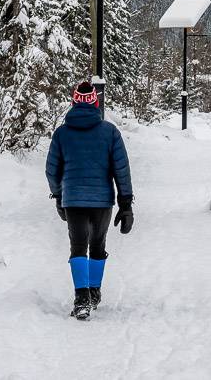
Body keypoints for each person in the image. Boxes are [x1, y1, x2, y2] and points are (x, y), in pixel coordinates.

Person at [45, 81, 134, 320]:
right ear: (96, 102)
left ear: (73, 102)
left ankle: (82, 298)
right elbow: (121, 170)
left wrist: (58, 194)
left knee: (77, 246)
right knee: (97, 245)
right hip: (102, 200)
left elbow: (52, 170)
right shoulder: (110, 132)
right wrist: (125, 204)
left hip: (73, 199)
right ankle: (93, 292)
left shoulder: (62, 133)